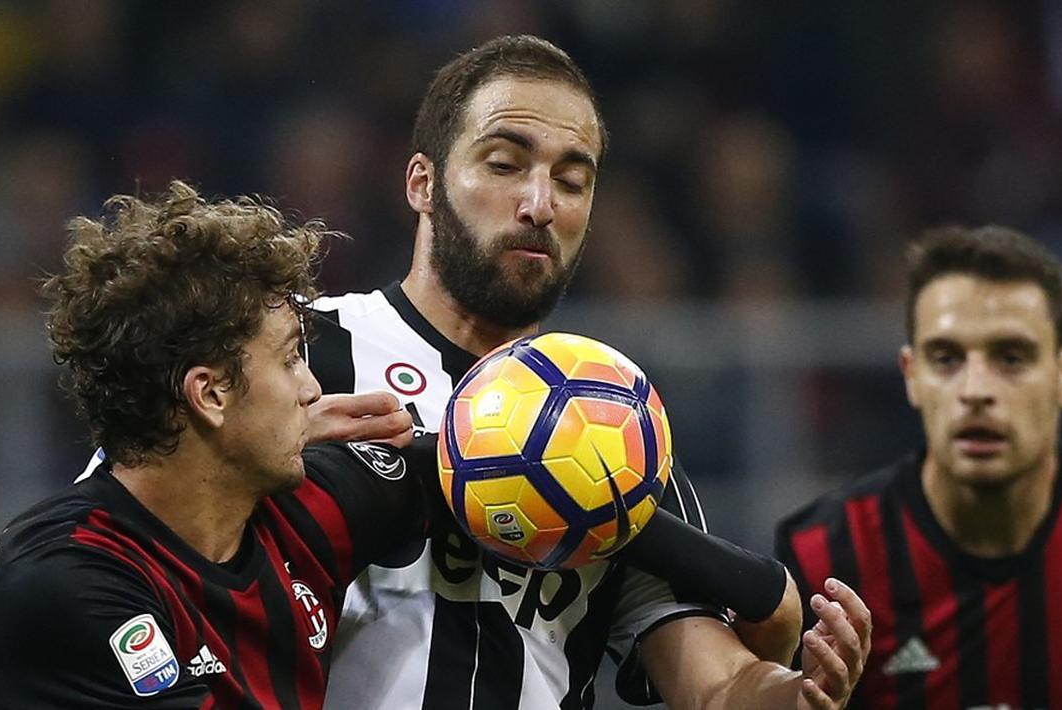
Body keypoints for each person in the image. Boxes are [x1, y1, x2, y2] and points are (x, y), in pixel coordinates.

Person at [310, 34, 869, 709]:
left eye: (571, 180)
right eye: (504, 164)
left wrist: (797, 695)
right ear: (421, 183)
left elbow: (718, 684)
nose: (540, 204)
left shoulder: (620, 433)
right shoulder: (302, 349)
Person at [0, 182, 433, 708]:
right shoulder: (64, 579)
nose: (312, 389)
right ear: (210, 394)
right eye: (289, 359)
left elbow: (464, 471)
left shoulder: (299, 511)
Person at [775, 225, 1062, 709]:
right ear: (911, 375)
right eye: (946, 358)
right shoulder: (825, 556)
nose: (976, 389)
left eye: (1011, 357)